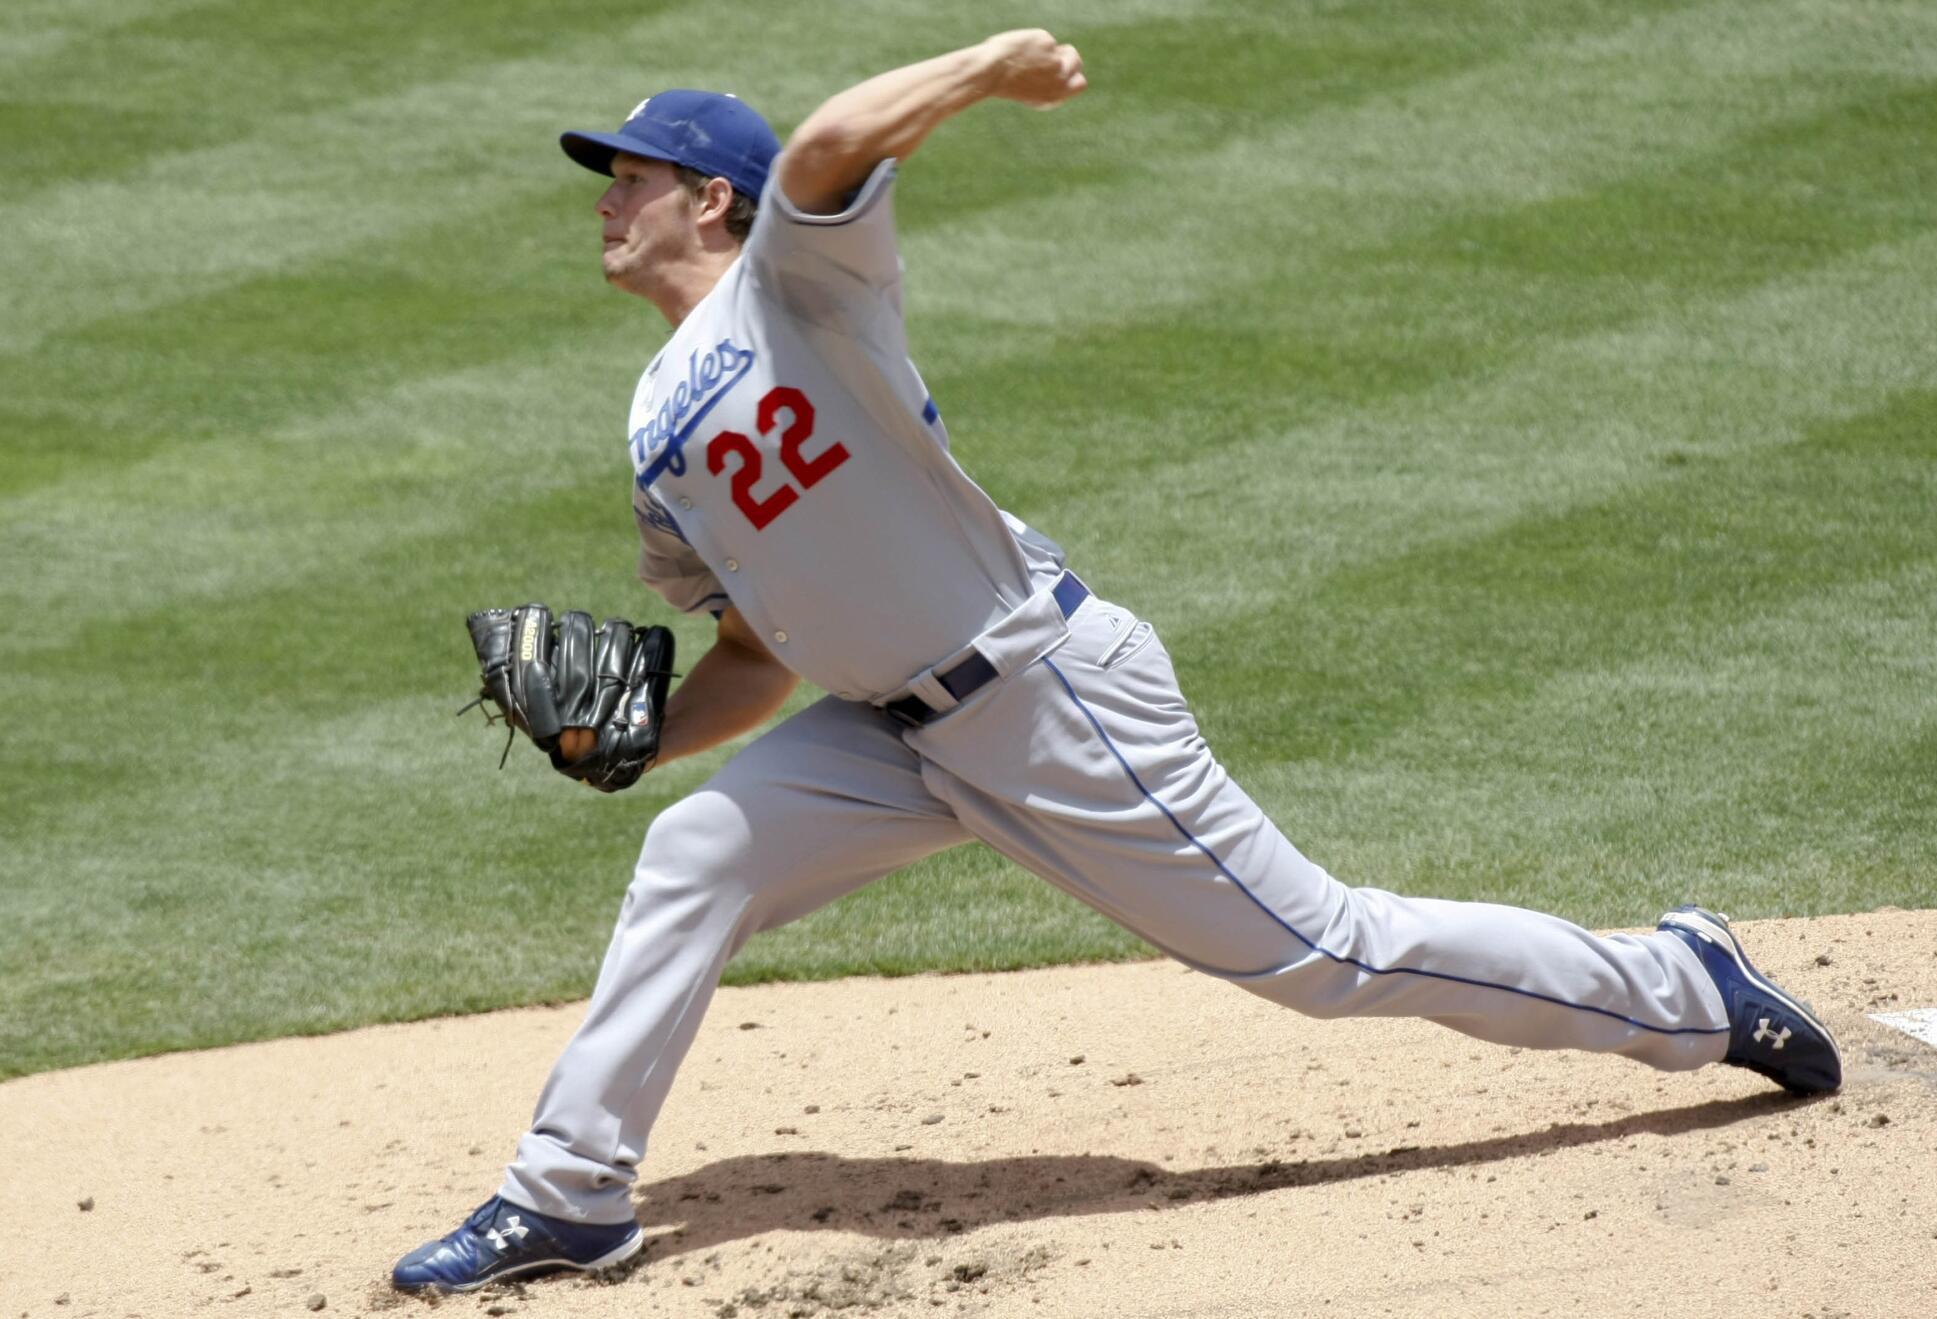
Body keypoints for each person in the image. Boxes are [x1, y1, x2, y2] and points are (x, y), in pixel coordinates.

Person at [390, 31, 1840, 1294]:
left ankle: (1687, 985)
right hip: (880, 734)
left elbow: (830, 142)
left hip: (1042, 692)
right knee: (692, 859)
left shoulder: (798, 286)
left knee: (1321, 955)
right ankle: (570, 1196)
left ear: (711, 198)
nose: (607, 196)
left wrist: (986, 72)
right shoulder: (654, 423)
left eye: (633, 174)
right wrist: (646, 741)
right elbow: (758, 658)